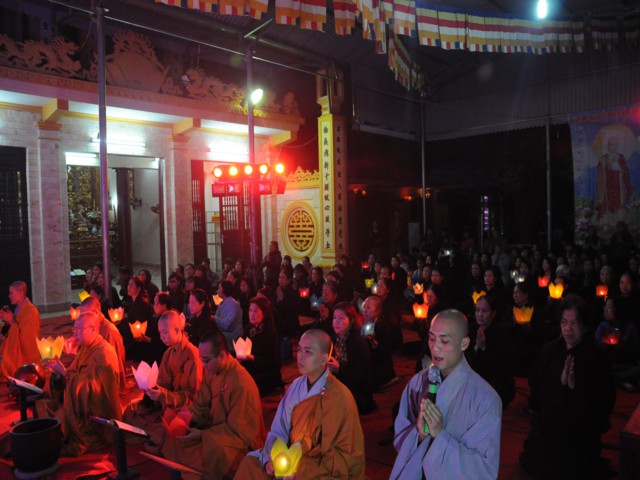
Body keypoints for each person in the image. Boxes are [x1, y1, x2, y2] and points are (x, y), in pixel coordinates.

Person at [234, 329, 365, 479]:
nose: (300, 356)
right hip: (288, 457)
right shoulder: (296, 386)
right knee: (250, 463)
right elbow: (279, 429)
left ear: (324, 359)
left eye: (308, 352)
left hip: (315, 466)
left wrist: (302, 471)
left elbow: (343, 454)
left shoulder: (340, 397)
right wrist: (271, 458)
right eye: (299, 350)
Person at [391, 309, 502, 480]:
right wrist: (419, 435)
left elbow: (483, 471)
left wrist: (439, 436)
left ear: (464, 344)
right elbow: (401, 436)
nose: (435, 347)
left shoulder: (486, 399)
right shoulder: (417, 383)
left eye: (444, 341)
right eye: (432, 338)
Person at [521, 294, 616, 479]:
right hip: (551, 419)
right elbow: (537, 386)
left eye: (574, 323)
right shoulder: (551, 350)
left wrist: (575, 388)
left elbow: (604, 401)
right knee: (535, 461)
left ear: (585, 326)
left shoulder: (597, 357)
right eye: (564, 322)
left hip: (580, 426)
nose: (568, 329)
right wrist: (560, 386)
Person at [162, 330, 265, 479]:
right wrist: (184, 419)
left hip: (235, 439)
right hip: (213, 429)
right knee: (177, 436)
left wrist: (203, 435)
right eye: (201, 360)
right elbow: (200, 405)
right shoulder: (212, 371)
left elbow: (241, 432)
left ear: (222, 356)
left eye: (206, 360)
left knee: (208, 451)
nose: (203, 365)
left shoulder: (241, 383)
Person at [37, 311, 122, 456]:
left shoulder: (104, 353)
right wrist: (58, 373)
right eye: (74, 328)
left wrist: (65, 374)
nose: (74, 333)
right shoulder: (86, 348)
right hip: (76, 403)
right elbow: (72, 372)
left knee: (56, 423)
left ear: (93, 329)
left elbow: (97, 392)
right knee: (43, 406)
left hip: (94, 413)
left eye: (79, 329)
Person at [124, 310, 202, 451]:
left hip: (183, 408)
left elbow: (192, 395)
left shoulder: (192, 355)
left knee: (164, 432)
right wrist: (152, 389)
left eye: (165, 332)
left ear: (177, 330)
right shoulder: (168, 353)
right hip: (165, 404)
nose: (161, 337)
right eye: (160, 333)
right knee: (130, 411)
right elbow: (161, 382)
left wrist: (164, 396)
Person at [466, 295, 516, 408]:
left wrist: (484, 348)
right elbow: (466, 360)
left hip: (495, 380)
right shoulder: (471, 330)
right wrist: (476, 347)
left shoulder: (502, 333)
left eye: (484, 311)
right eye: (477, 310)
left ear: (493, 314)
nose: (480, 314)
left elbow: (501, 366)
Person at [328, 302, 376, 414]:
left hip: (355, 391)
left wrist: (339, 369)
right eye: (334, 318)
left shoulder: (359, 343)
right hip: (336, 385)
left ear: (351, 321)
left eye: (341, 318)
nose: (336, 322)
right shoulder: (332, 339)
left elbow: (362, 379)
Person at [78, 297, 127, 397]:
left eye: (86, 315)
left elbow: (114, 366)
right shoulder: (93, 327)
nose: (83, 319)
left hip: (106, 382)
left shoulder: (109, 332)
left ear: (96, 312)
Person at [238, 296, 282, 395]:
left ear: (264, 313)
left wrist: (254, 358)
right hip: (250, 368)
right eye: (250, 310)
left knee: (247, 384)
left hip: (265, 373)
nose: (252, 314)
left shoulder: (270, 333)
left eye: (256, 311)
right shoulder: (248, 329)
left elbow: (275, 364)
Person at [0, 281, 41, 378]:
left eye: (11, 293)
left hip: (25, 357)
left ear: (21, 293)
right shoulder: (20, 308)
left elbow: (27, 339)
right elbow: (17, 327)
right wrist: (7, 323)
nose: (9, 296)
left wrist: (11, 321)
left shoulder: (31, 311)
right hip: (16, 350)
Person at [361, 295, 396, 390]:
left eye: (368, 308)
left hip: (380, 366)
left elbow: (386, 353)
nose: (364, 310)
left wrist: (374, 343)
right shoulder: (363, 323)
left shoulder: (383, 327)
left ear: (377, 311)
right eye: (364, 307)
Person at [596, 137, 633, 220]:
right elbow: (600, 173)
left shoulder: (621, 157)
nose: (614, 146)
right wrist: (605, 167)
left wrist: (621, 170)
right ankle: (606, 220)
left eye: (616, 144)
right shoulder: (604, 158)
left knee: (619, 204)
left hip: (618, 185)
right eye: (612, 144)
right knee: (606, 203)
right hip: (607, 186)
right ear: (608, 146)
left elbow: (625, 170)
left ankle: (619, 220)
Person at [214, 280, 243, 348]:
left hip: (233, 335)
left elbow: (227, 325)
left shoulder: (233, 304)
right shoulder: (221, 303)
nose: (217, 291)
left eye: (219, 288)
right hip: (224, 333)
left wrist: (214, 318)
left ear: (224, 290)